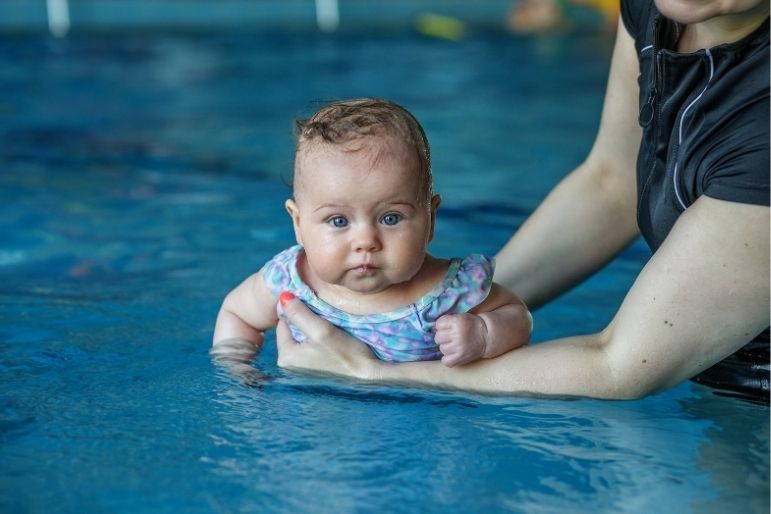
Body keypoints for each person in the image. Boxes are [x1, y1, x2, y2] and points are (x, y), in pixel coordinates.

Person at [274, 0, 770, 403]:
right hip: (710, 380)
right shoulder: (663, 5)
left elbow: (620, 366)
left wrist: (371, 373)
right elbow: (613, 182)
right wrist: (458, 306)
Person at [212, 98, 532, 380]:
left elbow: (518, 316)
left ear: (430, 219)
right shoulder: (288, 281)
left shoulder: (450, 291)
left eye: (390, 218)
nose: (366, 241)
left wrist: (484, 334)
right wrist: (237, 367)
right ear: (298, 223)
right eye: (338, 221)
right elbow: (237, 313)